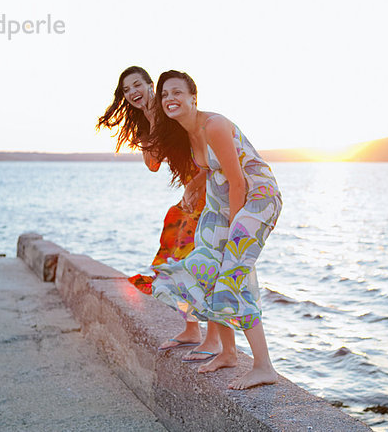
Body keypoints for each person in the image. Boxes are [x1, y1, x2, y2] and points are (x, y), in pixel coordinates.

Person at [149, 70, 282, 389]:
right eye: (165, 94)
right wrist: (194, 185)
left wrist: (233, 231)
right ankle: (228, 352)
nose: (170, 99)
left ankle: (264, 367)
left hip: (256, 200)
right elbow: (213, 169)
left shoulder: (215, 125)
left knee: (232, 275)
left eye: (177, 92)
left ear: (194, 97)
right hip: (220, 203)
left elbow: (238, 181)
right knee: (204, 269)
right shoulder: (188, 132)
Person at [96, 66, 219, 362]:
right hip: (191, 195)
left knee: (206, 263)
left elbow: (207, 150)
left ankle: (214, 339)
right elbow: (152, 165)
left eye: (137, 85)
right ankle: (192, 329)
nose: (133, 93)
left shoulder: (171, 108)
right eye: (126, 90)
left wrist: (195, 184)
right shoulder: (147, 122)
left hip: (210, 187)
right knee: (173, 262)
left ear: (151, 85)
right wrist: (150, 122)